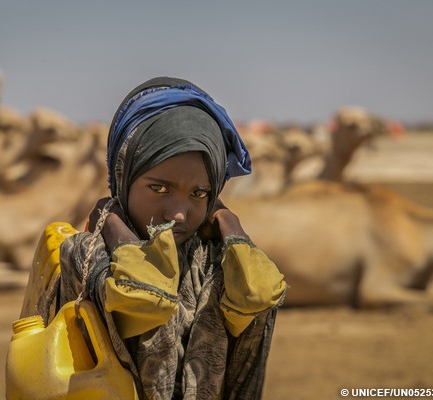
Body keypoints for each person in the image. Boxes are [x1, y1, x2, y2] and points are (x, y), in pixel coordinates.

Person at [57, 76, 286, 399]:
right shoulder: (86, 251)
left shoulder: (215, 256)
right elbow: (144, 295)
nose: (178, 214)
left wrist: (230, 223)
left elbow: (258, 294)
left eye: (199, 193)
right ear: (124, 177)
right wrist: (109, 221)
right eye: (159, 189)